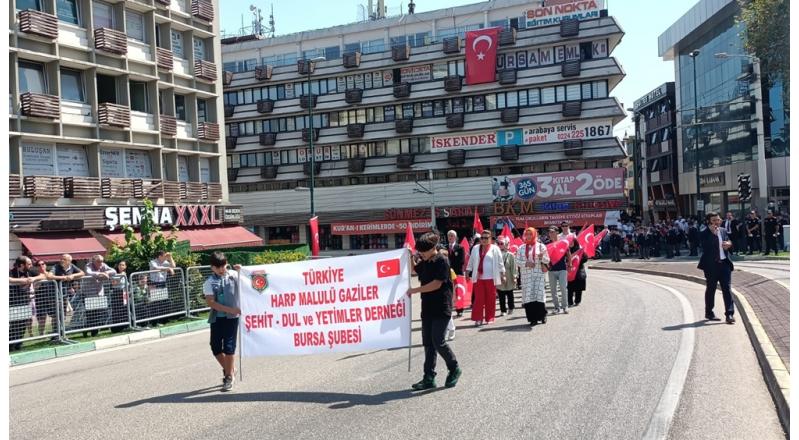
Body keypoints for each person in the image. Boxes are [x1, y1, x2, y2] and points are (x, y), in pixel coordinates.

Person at [407, 232, 462, 390]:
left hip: (441, 307)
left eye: (423, 251)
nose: (421, 254)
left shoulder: (442, 260)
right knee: (428, 343)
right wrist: (411, 256)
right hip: (427, 307)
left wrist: (415, 290)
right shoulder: (425, 260)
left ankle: (454, 368)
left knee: (438, 341)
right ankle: (428, 377)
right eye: (420, 252)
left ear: (432, 248)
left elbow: (437, 284)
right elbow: (415, 271)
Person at [203, 251, 241, 392]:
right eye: (217, 266)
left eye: (223, 265)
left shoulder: (234, 275)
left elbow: (249, 283)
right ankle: (230, 369)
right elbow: (211, 302)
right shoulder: (208, 282)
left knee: (229, 347)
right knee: (215, 347)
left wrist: (242, 271)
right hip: (217, 318)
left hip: (232, 319)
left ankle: (228, 377)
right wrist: (230, 309)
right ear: (212, 267)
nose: (221, 269)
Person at [697, 212, 736, 324]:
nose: (717, 222)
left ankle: (729, 314)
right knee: (711, 288)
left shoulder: (723, 230)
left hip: (724, 264)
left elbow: (729, 240)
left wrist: (729, 244)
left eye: (718, 220)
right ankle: (709, 312)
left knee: (727, 289)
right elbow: (704, 247)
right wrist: (713, 234)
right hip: (711, 266)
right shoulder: (704, 233)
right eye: (714, 220)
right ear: (708, 221)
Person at [465, 230, 505, 326]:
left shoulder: (495, 248)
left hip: (491, 277)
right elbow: (471, 261)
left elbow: (500, 262)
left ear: (490, 239)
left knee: (490, 299)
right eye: (482, 238)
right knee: (479, 299)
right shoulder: (475, 248)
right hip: (478, 278)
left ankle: (489, 317)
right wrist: (467, 272)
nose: (483, 240)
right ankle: (478, 318)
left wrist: (503, 274)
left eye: (486, 238)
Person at [9, 257, 45, 351]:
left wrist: (33, 278)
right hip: (13, 301)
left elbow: (42, 276)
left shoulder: (30, 271)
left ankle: (18, 343)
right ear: (21, 265)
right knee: (14, 323)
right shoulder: (12, 271)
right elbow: (8, 279)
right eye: (28, 264)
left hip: (25, 300)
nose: (31, 265)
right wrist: (22, 281)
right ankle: (10, 344)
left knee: (23, 323)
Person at [515, 227, 549, 326]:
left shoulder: (541, 246)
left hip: (538, 275)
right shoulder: (521, 248)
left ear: (534, 235)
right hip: (526, 277)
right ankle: (532, 318)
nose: (529, 236)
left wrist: (543, 257)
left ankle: (542, 315)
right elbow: (517, 261)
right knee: (529, 297)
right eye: (527, 234)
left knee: (539, 296)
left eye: (531, 234)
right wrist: (526, 263)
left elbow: (547, 260)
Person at [83, 255, 117, 337]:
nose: (101, 263)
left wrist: (106, 272)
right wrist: (101, 273)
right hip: (89, 294)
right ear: (93, 261)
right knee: (91, 314)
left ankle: (94, 331)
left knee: (99, 312)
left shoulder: (103, 265)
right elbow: (89, 273)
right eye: (99, 261)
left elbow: (114, 271)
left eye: (102, 261)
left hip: (99, 293)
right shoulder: (88, 265)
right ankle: (87, 330)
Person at [546, 226, 572, 314]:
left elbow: (568, 253)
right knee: (553, 290)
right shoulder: (547, 244)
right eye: (549, 232)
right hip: (551, 270)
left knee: (563, 288)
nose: (550, 234)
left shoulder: (563, 242)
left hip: (562, 269)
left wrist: (570, 263)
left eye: (552, 232)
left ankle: (565, 307)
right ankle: (557, 307)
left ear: (557, 232)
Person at [495, 236, 517, 317]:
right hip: (499, 276)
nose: (500, 245)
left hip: (509, 275)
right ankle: (503, 310)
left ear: (505, 244)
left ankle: (511, 307)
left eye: (502, 243)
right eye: (499, 243)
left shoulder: (510, 255)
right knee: (501, 294)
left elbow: (513, 266)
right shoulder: (496, 255)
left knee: (509, 293)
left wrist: (514, 276)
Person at [447, 230, 466, 318]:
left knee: (459, 291)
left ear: (455, 237)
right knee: (449, 292)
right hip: (447, 273)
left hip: (457, 272)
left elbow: (461, 261)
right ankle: (449, 310)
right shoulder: (445, 248)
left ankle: (460, 310)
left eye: (451, 236)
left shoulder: (460, 247)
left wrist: (452, 267)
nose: (450, 237)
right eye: (449, 236)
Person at [109, 261, 129, 333]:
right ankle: (116, 328)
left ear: (125, 266)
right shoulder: (114, 273)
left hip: (124, 292)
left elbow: (127, 283)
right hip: (116, 292)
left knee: (124, 309)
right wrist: (121, 275)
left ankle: (125, 326)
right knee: (116, 310)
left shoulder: (125, 274)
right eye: (120, 265)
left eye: (123, 265)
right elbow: (114, 283)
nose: (121, 266)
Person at [567, 240, 588, 306]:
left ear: (575, 242)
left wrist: (578, 261)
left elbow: (585, 258)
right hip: (570, 271)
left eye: (572, 242)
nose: (571, 243)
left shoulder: (580, 250)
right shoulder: (567, 250)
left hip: (579, 270)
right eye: (570, 242)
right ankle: (570, 302)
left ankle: (577, 301)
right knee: (570, 288)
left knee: (579, 287)